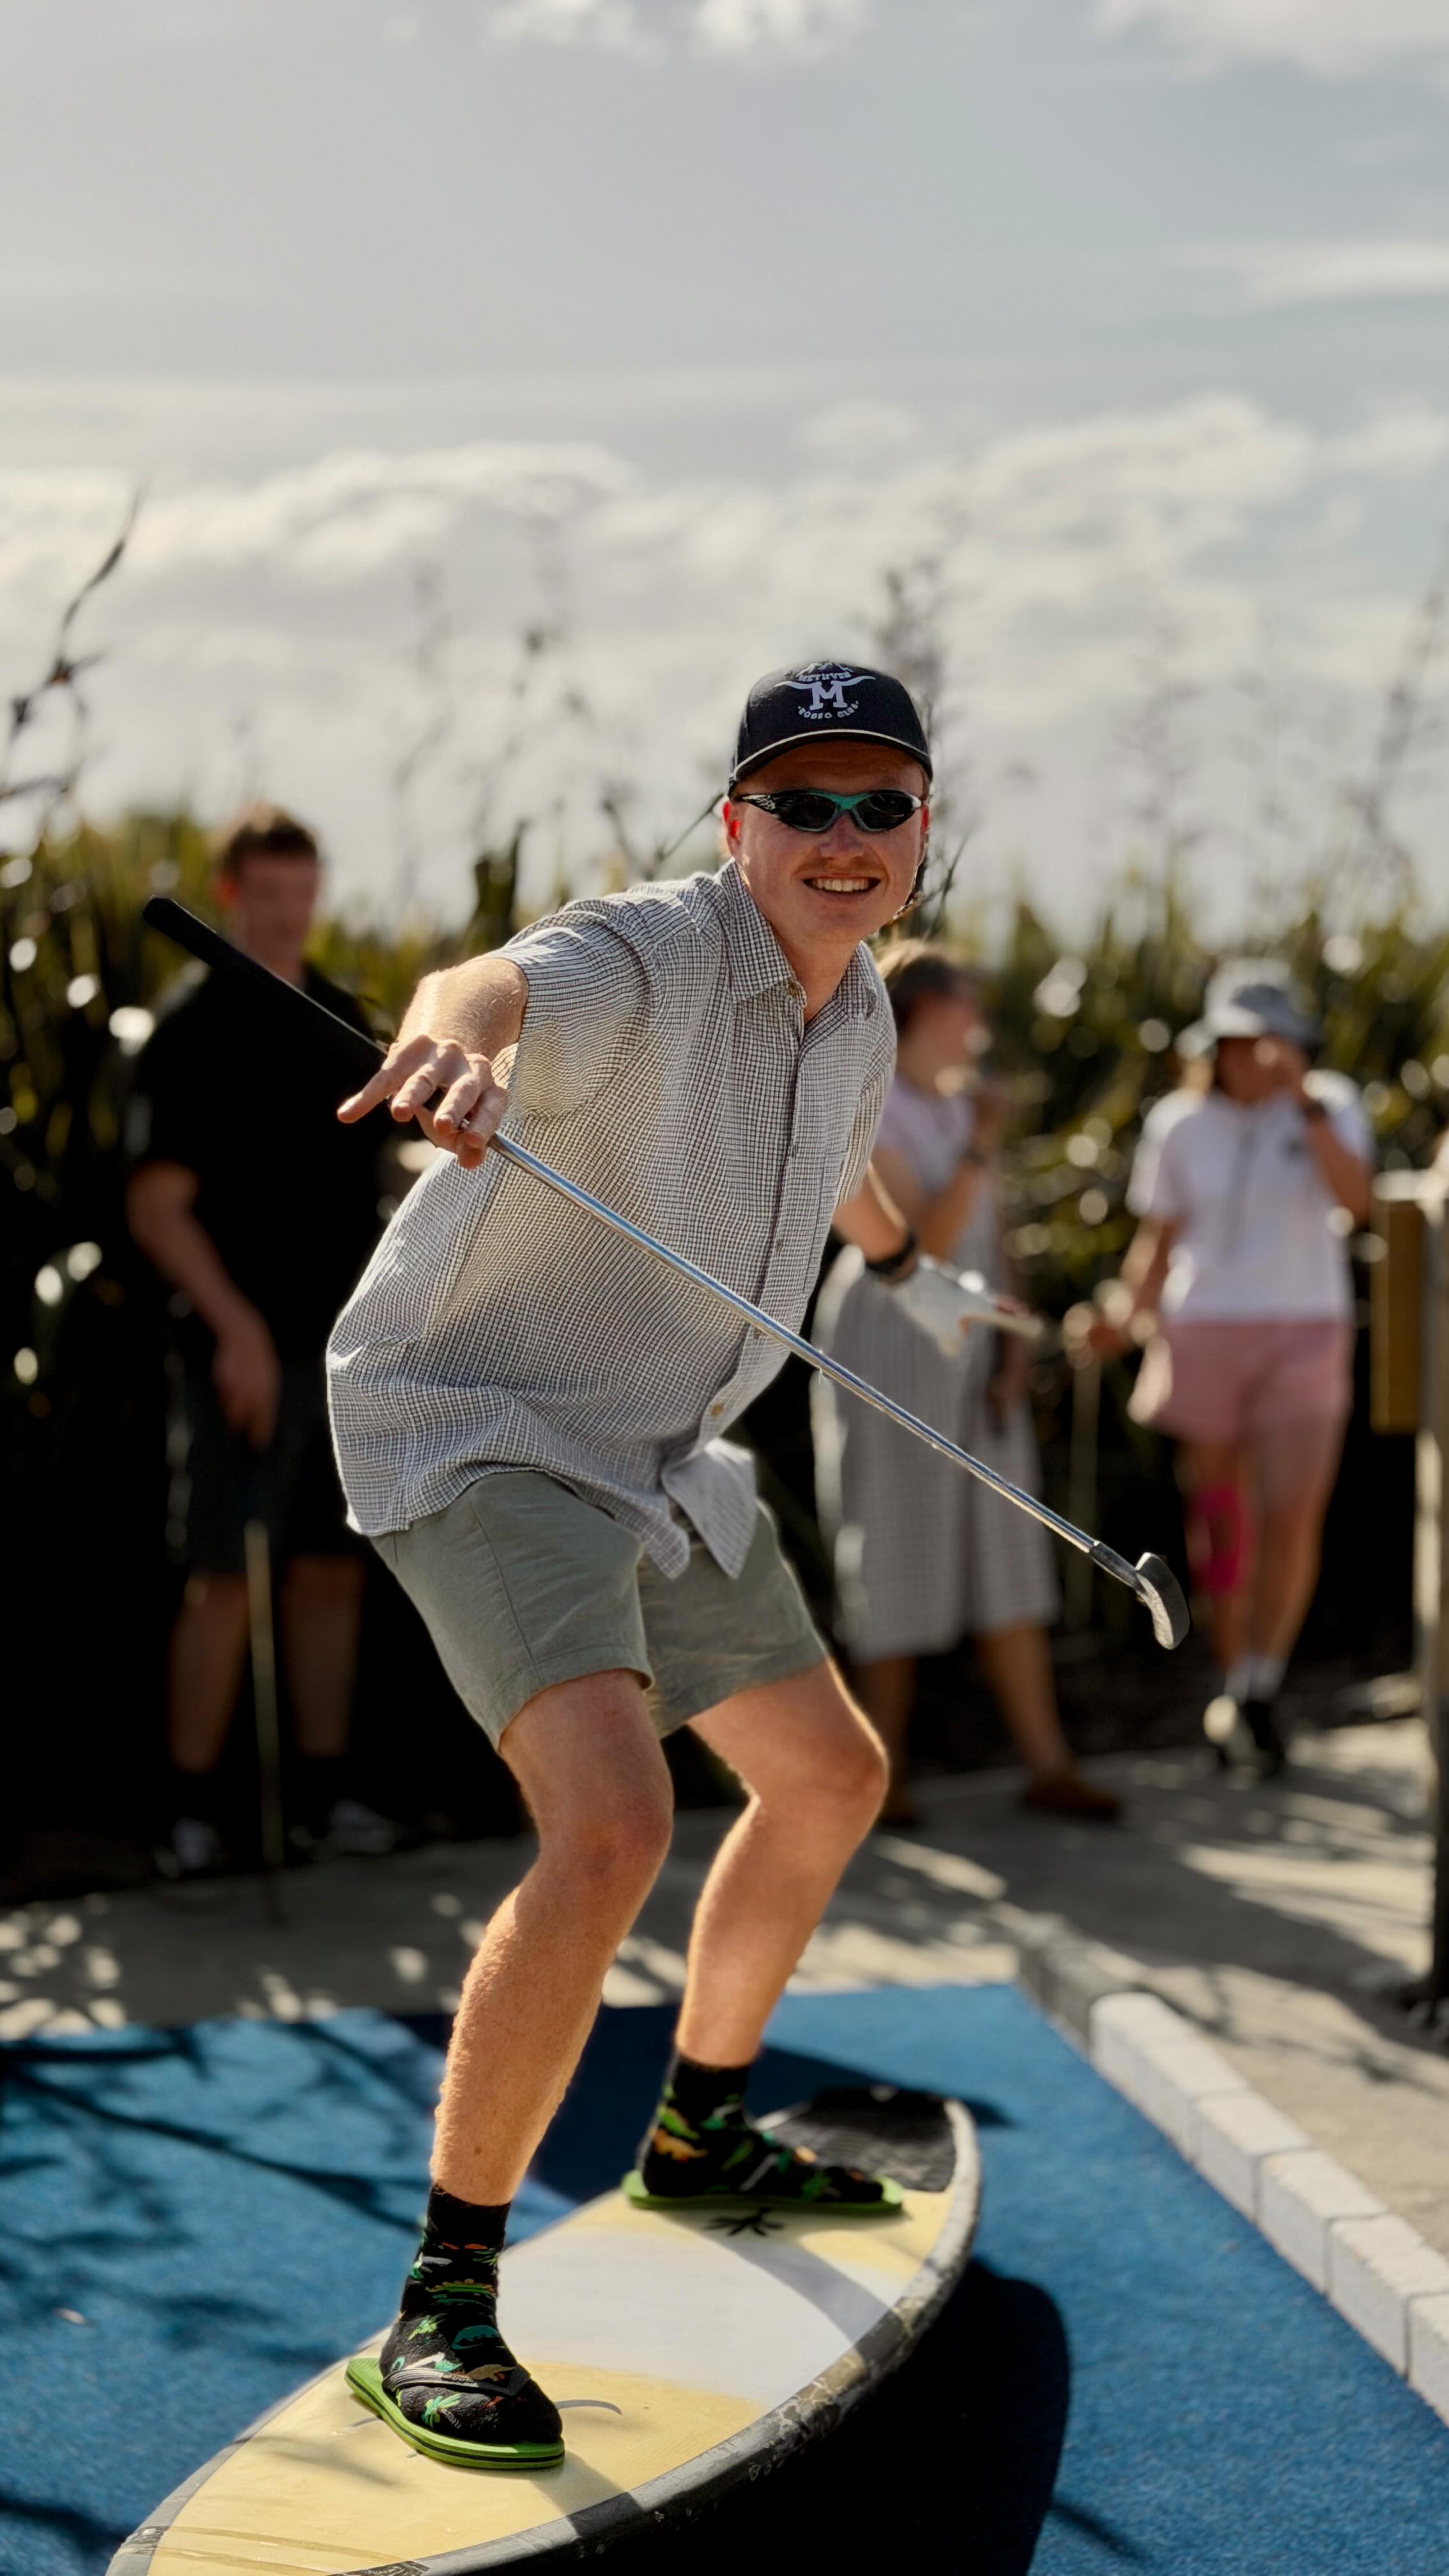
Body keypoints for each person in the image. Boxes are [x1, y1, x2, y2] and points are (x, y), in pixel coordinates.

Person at [326, 661, 993, 2469]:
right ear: (736, 825)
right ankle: (441, 2301)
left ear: (921, 831)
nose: (842, 837)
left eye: (878, 805)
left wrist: (899, 1259)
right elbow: (494, 984)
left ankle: (700, 2131)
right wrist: (457, 1039)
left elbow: (835, 1166)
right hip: (483, 1422)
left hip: (660, 1450)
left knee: (828, 1778)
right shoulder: (650, 951)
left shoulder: (858, 1011)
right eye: (802, 804)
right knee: (612, 1826)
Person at [126, 804, 395, 1874]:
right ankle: (187, 1813)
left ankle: (327, 1799)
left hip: (346, 1351)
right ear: (231, 893)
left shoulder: (342, 1019)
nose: (289, 915)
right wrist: (234, 1328)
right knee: (226, 1576)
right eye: (269, 894)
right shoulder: (191, 1030)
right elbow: (158, 1207)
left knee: (331, 1573)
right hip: (234, 1353)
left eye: (303, 893)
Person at [813, 942, 1121, 1827]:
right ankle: (880, 1776)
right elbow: (922, 1248)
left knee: (1008, 1548)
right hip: (891, 1341)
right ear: (922, 1008)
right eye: (963, 1003)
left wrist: (1017, 1348)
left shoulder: (955, 1106)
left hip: (976, 1346)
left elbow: (996, 1239)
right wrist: (982, 1142)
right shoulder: (872, 1106)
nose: (978, 1021)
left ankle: (1047, 1765)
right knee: (893, 1545)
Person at [1075, 962, 1372, 1777]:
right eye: (1242, 1041)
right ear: (1217, 1046)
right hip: (1203, 1332)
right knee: (1222, 1521)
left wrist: (1306, 1105)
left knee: (1292, 1513)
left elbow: (1358, 1203)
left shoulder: (1331, 1103)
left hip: (1306, 1329)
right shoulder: (1180, 1123)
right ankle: (1233, 1678)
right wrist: (1123, 1316)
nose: (1257, 1056)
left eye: (1272, 1040)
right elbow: (1159, 1243)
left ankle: (1259, 1684)